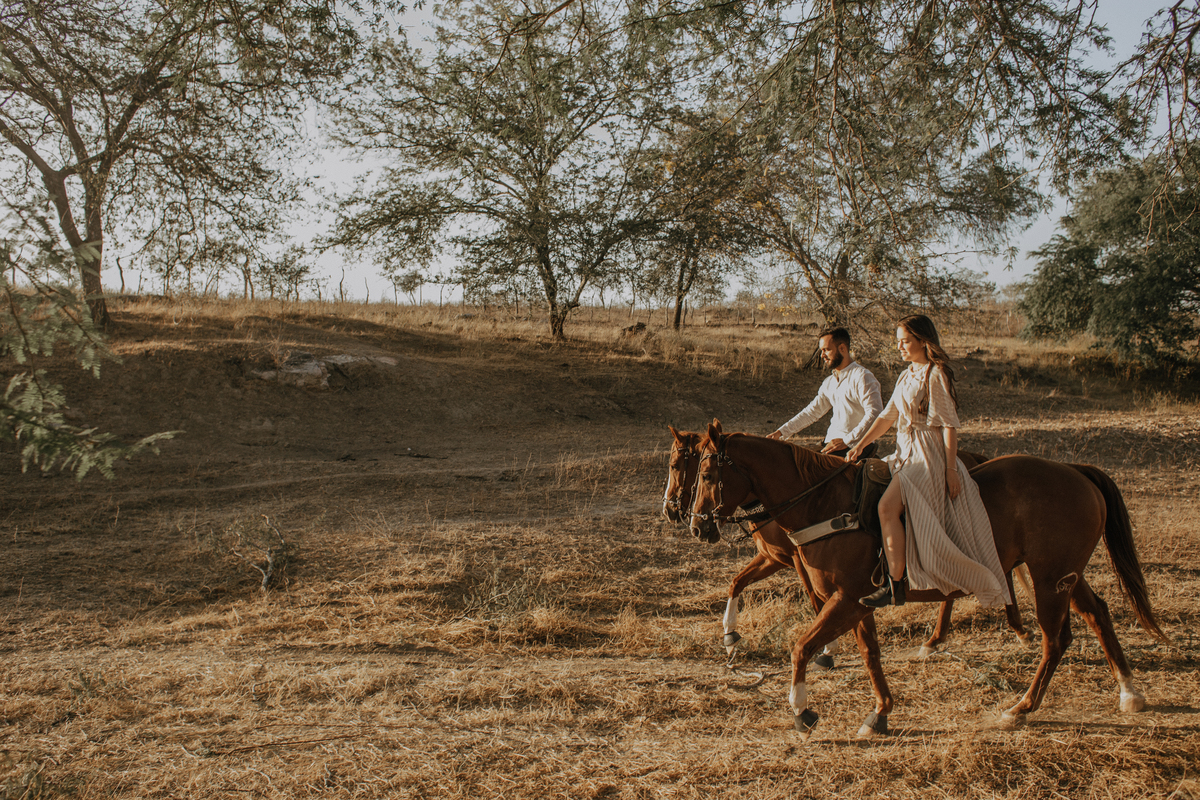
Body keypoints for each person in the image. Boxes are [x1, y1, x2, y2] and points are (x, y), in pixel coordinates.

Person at [845, 315, 1009, 609]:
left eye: (905, 341)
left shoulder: (935, 374)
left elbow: (948, 426)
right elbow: (887, 417)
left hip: (927, 456)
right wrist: (859, 445)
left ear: (923, 340)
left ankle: (894, 587)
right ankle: (895, 572)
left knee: (886, 507)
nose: (899, 346)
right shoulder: (906, 374)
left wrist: (949, 470)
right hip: (904, 452)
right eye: (897, 341)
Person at [768, 326, 883, 458]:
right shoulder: (830, 382)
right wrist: (781, 433)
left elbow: (875, 413)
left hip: (857, 448)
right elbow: (812, 412)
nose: (822, 355)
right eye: (821, 350)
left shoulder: (862, 377)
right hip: (829, 445)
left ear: (842, 349)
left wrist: (847, 440)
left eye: (826, 350)